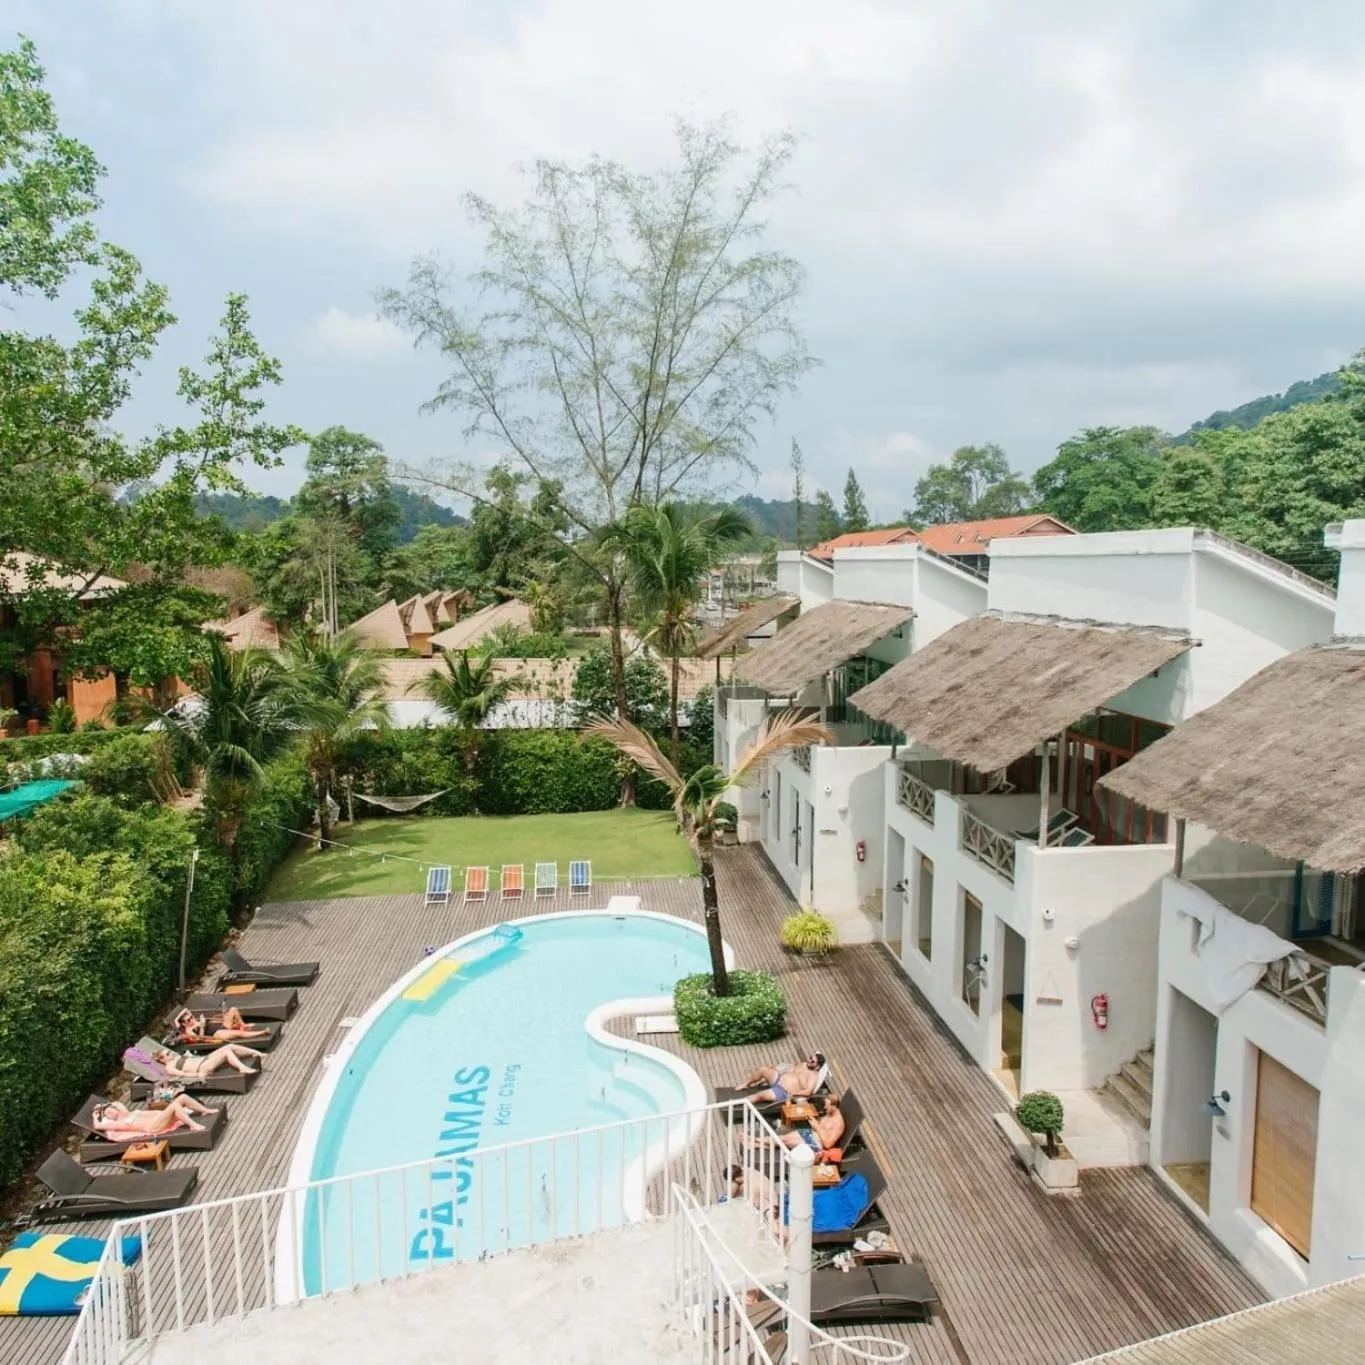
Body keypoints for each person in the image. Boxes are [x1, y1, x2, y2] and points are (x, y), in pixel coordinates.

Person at [92, 1095, 216, 1140]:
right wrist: (95, 1114)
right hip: (152, 1127)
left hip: (159, 1119)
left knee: (182, 1097)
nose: (111, 1113)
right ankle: (193, 1125)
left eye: (111, 1110)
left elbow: (117, 1103)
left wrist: (105, 1106)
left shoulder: (125, 1113)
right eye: (108, 1114)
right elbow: (97, 1125)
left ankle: (205, 1110)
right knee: (174, 1105)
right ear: (106, 1118)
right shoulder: (117, 1123)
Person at [733, 1053, 826, 1106]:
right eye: (810, 1057)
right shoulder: (804, 1064)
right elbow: (793, 1067)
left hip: (782, 1091)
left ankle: (736, 1104)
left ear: (817, 1066)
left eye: (812, 1061)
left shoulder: (813, 1076)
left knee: (760, 1095)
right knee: (763, 1069)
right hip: (779, 1078)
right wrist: (777, 1069)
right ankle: (745, 1083)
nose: (809, 1060)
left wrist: (794, 1094)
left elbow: (808, 1092)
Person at [154, 1042, 262, 1078]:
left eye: (169, 1052)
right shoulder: (169, 1067)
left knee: (229, 1046)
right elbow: (182, 1074)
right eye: (167, 1054)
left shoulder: (175, 1058)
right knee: (226, 1053)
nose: (170, 1054)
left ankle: (255, 1052)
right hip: (202, 1068)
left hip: (204, 1059)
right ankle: (242, 1068)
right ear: (162, 1059)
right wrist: (197, 1076)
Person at [777, 1095, 843, 1153]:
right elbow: (822, 1128)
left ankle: (767, 1143)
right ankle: (767, 1142)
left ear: (834, 1106)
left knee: (786, 1141)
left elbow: (828, 1144)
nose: (825, 1107)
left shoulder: (838, 1123)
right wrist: (814, 1123)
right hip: (810, 1133)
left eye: (827, 1105)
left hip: (815, 1144)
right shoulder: (830, 1113)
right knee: (783, 1138)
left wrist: (817, 1126)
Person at [174, 1007, 269, 1044]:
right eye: (188, 1019)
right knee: (239, 1033)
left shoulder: (194, 1021)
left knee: (233, 1009)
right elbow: (200, 1039)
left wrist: (183, 1014)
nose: (191, 1019)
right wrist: (202, 1026)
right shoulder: (189, 1031)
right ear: (183, 1023)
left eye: (191, 1017)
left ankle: (243, 1025)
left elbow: (187, 1010)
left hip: (221, 1026)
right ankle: (262, 1032)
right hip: (216, 1034)